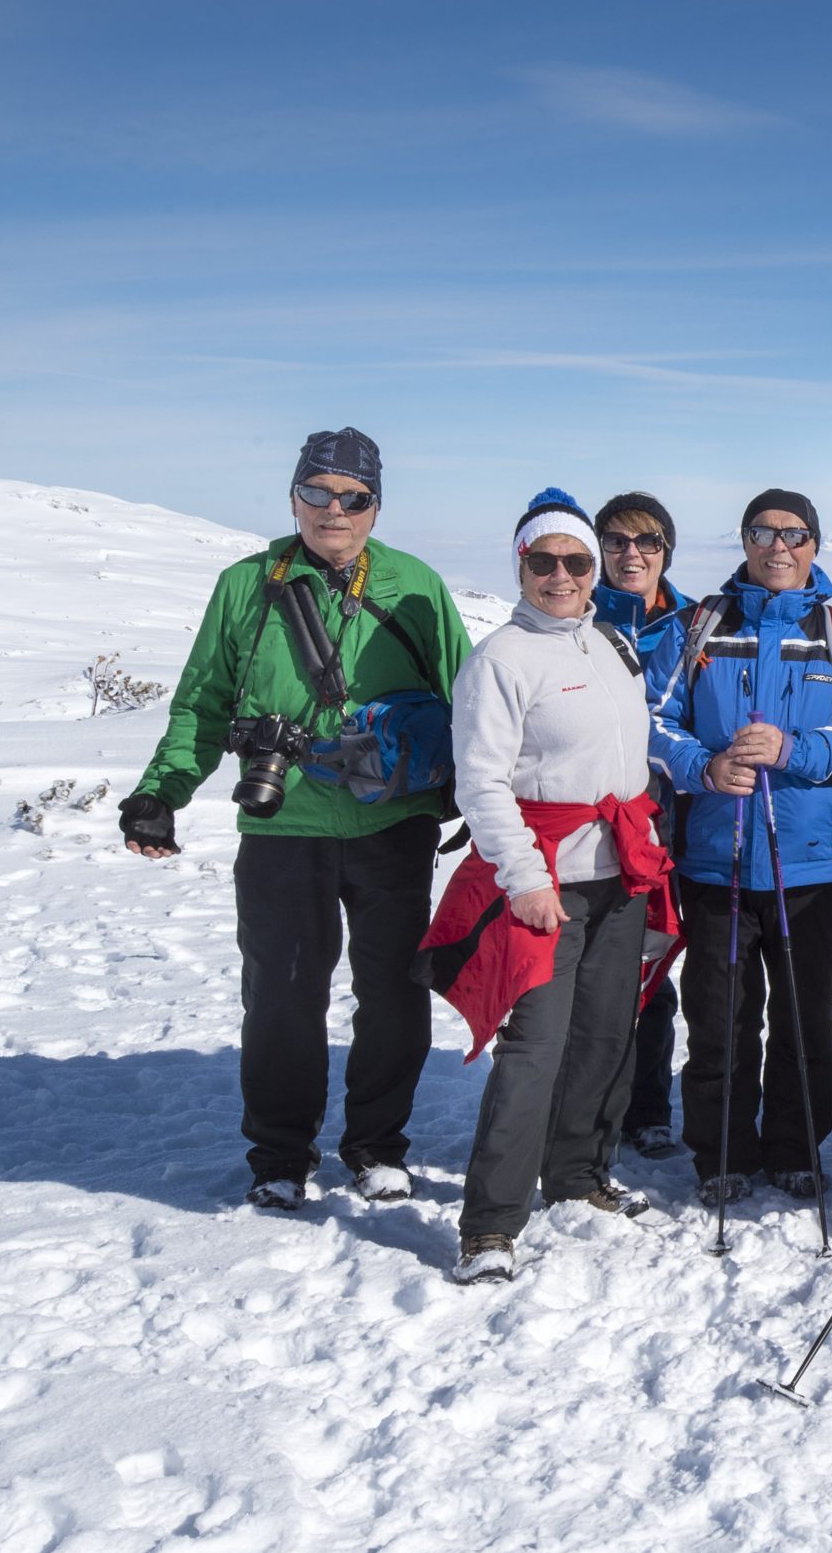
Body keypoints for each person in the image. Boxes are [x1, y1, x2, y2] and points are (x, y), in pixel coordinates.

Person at [120, 429, 471, 1211]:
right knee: (280, 995)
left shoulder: (416, 585)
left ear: (376, 507)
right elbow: (203, 701)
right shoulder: (248, 584)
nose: (333, 510)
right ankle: (280, 1153)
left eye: (352, 497)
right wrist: (162, 791)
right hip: (284, 827)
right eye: (317, 491)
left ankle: (378, 1145)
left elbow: (469, 702)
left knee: (393, 992)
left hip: (394, 825)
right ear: (293, 497)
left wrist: (482, 797)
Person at [431, 491, 674, 1283]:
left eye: (576, 561)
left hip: (620, 874)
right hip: (549, 881)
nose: (562, 575)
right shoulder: (501, 659)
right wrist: (528, 879)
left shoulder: (605, 643)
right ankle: (492, 1224)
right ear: (522, 566)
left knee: (607, 1032)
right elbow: (483, 784)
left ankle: (575, 1174)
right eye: (545, 561)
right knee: (534, 1048)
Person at [650, 490, 832, 1206]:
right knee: (720, 1019)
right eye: (763, 532)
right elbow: (650, 720)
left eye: (794, 534)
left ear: (815, 546)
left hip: (808, 866)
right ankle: (723, 1150)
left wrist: (799, 748)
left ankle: (796, 1148)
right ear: (745, 541)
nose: (778, 546)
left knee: (802, 1017)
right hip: (716, 861)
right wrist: (704, 766)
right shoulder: (699, 625)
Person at [591, 490, 694, 1160]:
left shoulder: (695, 627)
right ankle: (585, 1106)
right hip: (586, 815)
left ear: (665, 551)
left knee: (651, 958)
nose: (632, 554)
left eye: (647, 542)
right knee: (583, 965)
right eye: (618, 541)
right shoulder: (573, 611)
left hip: (669, 815)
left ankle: (648, 1103)